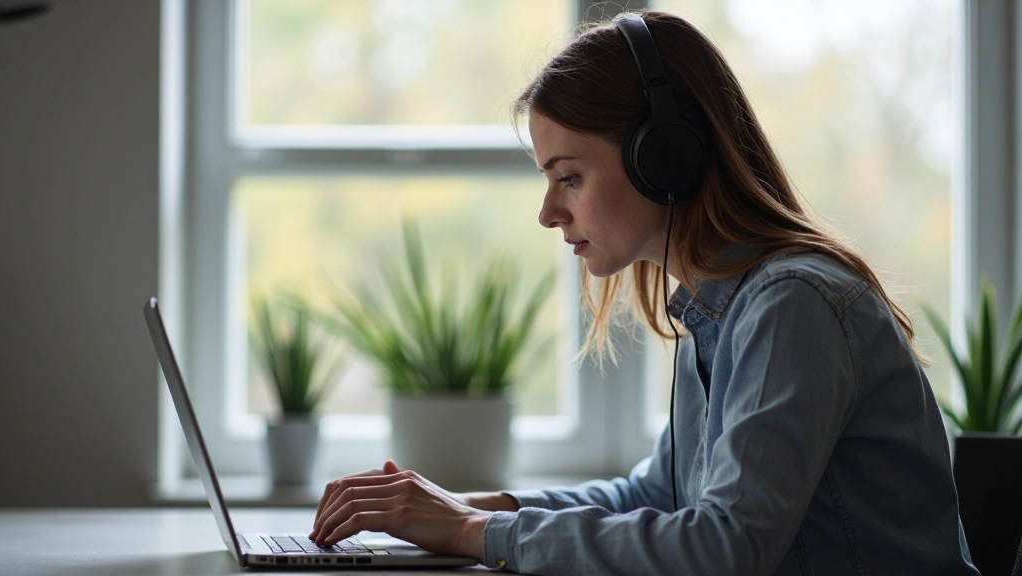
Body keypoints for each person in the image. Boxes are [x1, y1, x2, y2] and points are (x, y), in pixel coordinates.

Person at [308, 10, 979, 575]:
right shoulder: (716, 311)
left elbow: (728, 545)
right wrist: (474, 507)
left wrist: (470, 533)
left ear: (665, 157)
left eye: (568, 176)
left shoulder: (792, 306)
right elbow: (657, 493)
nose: (548, 212)